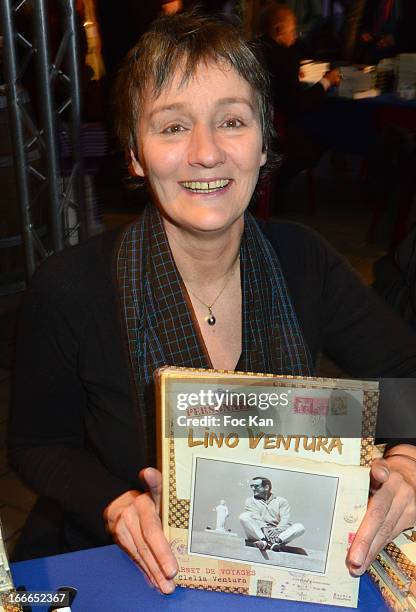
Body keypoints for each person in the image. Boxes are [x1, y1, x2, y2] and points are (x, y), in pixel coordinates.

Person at [7, 11, 416, 596]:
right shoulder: (70, 287)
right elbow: (37, 445)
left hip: (279, 571)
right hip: (120, 568)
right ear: (133, 153)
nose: (206, 153)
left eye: (231, 120)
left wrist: (405, 465)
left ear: (263, 139)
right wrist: (115, 502)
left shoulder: (303, 260)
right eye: (172, 128)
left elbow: (407, 379)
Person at [257, 5, 341, 190]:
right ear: (279, 30)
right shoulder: (285, 57)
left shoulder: (250, 50)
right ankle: (278, 185)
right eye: (293, 30)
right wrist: (326, 82)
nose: (295, 36)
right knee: (325, 133)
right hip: (278, 134)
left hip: (256, 127)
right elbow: (298, 104)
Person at [240, 477, 305, 551]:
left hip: (277, 535)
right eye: (251, 486)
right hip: (259, 533)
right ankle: (264, 541)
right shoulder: (250, 501)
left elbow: (285, 519)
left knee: (300, 527)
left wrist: (277, 530)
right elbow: (256, 517)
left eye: (256, 486)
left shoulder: (281, 501)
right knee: (244, 516)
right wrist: (265, 530)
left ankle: (275, 542)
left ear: (266, 487)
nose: (253, 489)